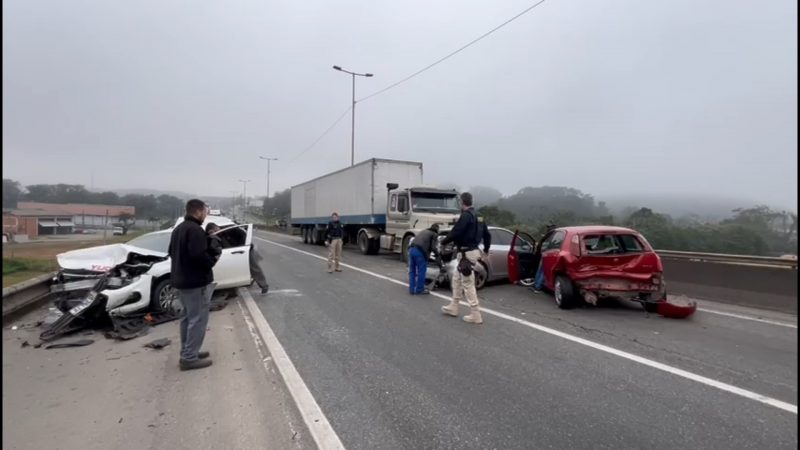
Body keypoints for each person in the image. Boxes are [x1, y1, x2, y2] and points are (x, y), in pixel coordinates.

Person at [168, 199, 218, 371]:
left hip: (180, 281)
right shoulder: (195, 230)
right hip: (195, 282)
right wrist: (212, 259)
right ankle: (189, 358)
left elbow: (171, 252)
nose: (206, 214)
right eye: (205, 211)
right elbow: (198, 256)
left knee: (187, 318)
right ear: (197, 212)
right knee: (197, 320)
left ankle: (188, 351)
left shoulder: (179, 229)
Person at [440, 192, 483, 324]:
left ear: (461, 202)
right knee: (457, 279)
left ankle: (476, 313)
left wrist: (443, 241)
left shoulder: (465, 215)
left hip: (466, 253)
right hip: (471, 251)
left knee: (467, 283)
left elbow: (456, 232)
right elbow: (484, 233)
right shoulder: (477, 215)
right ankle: (454, 306)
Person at [408, 224, 440, 295]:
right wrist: (437, 254)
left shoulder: (424, 231)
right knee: (421, 271)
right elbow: (433, 247)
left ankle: (411, 289)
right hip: (420, 252)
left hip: (411, 250)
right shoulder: (434, 234)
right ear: (437, 230)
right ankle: (419, 289)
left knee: (412, 271)